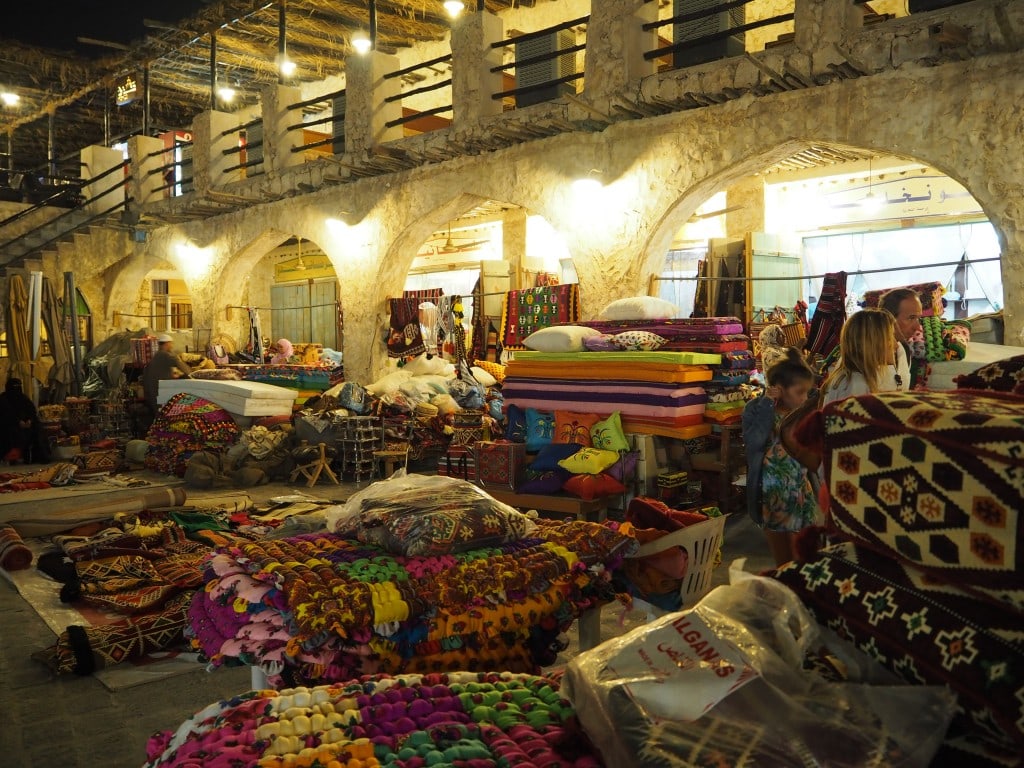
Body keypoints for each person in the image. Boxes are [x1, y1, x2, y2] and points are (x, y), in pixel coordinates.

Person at [743, 348, 820, 566]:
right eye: (799, 392)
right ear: (779, 388)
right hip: (772, 495)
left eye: (806, 392)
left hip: (800, 492)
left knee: (803, 558)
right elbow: (754, 443)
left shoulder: (804, 413)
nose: (804, 398)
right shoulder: (755, 409)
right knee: (783, 562)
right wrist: (767, 404)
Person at [820, 309, 909, 407]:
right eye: (889, 338)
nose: (896, 345)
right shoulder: (856, 386)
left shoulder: (855, 380)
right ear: (872, 344)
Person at [141, 333, 192, 419]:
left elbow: (161, 371)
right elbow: (181, 366)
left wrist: (173, 375)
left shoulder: (156, 355)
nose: (172, 346)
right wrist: (191, 374)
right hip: (158, 391)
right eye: (171, 344)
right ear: (167, 344)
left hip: (150, 391)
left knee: (158, 415)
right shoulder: (165, 355)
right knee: (162, 415)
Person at [0, 378, 50, 464]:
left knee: (38, 429)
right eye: (14, 387)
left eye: (18, 387)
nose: (16, 390)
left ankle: (40, 456)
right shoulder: (3, 399)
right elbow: (5, 414)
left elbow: (31, 410)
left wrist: (30, 420)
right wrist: (18, 422)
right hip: (10, 425)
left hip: (27, 424)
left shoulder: (23, 398)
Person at [880, 288, 924, 387]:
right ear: (889, 318)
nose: (918, 327)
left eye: (918, 318)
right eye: (911, 318)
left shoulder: (904, 349)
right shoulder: (866, 354)